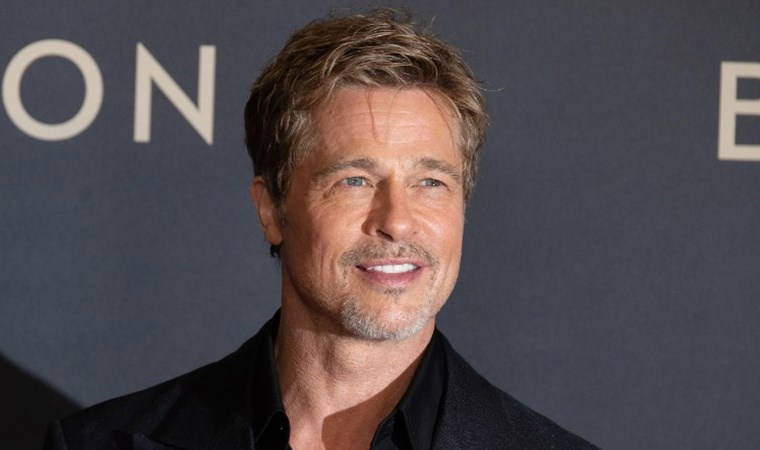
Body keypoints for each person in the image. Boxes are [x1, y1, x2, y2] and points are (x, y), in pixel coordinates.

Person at [43, 9, 595, 450]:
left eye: (430, 182)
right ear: (271, 209)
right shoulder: (100, 443)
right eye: (355, 180)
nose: (397, 220)